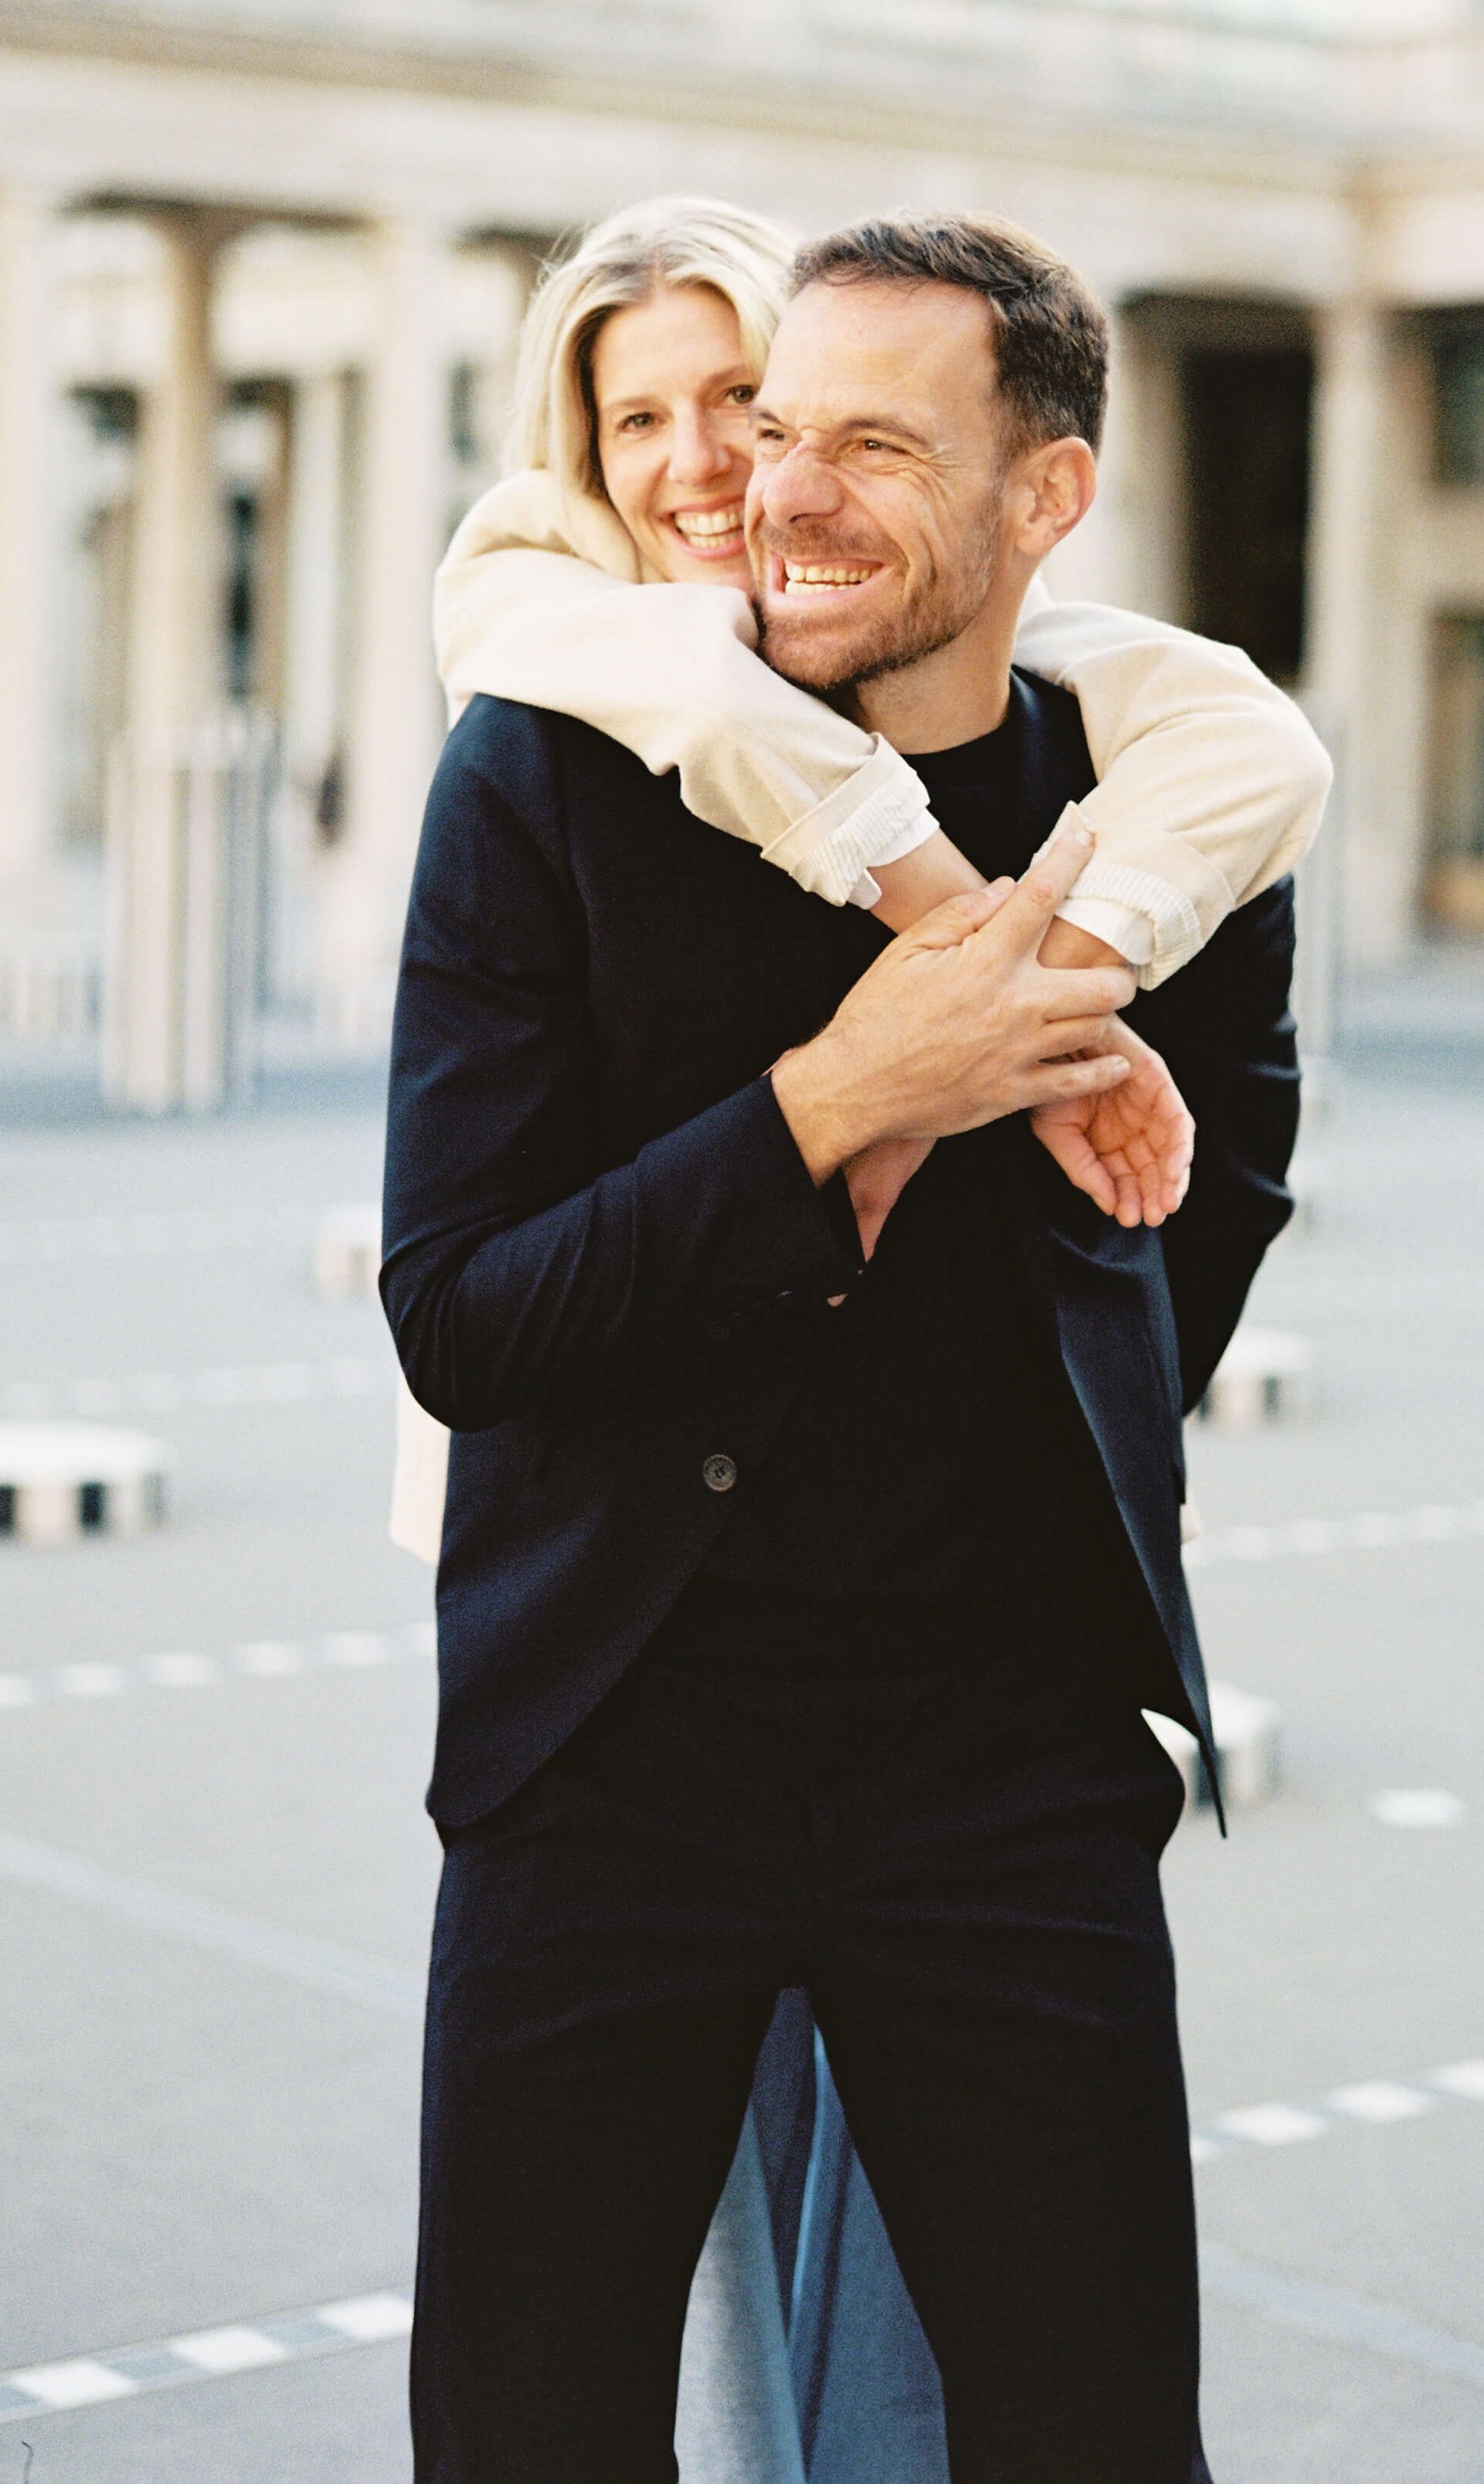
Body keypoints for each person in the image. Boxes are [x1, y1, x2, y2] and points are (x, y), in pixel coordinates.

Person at [384, 211, 1306, 2482]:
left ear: (1046, 499)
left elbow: (1204, 1224)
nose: (769, 486)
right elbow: (462, 1314)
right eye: (762, 425)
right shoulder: (544, 774)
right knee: (529, 2436)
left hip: (1003, 1769)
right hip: (607, 1747)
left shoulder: (1168, 818)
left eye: (865, 443)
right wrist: (844, 1101)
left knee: (1096, 2438)